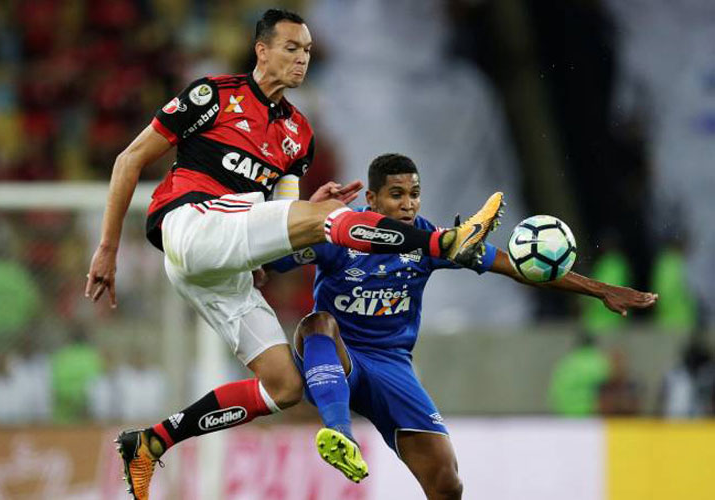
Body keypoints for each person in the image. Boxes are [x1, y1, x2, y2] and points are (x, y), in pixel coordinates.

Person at [83, 10, 504, 500]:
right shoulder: (213, 96)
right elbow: (129, 158)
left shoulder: (299, 135)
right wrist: (108, 248)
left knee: (284, 387)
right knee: (319, 218)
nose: (302, 59)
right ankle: (446, 242)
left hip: (219, 266)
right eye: (291, 48)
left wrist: (311, 209)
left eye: (306, 51)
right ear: (261, 50)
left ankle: (152, 442)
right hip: (191, 224)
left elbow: (287, 218)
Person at [265, 153, 659, 499]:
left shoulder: (430, 239)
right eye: (396, 194)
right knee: (318, 322)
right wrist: (301, 216)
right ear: (372, 199)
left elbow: (516, 267)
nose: (408, 204)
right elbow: (276, 262)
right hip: (337, 361)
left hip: (392, 365)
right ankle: (339, 433)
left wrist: (602, 290)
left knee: (447, 484)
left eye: (414, 194)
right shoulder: (341, 233)